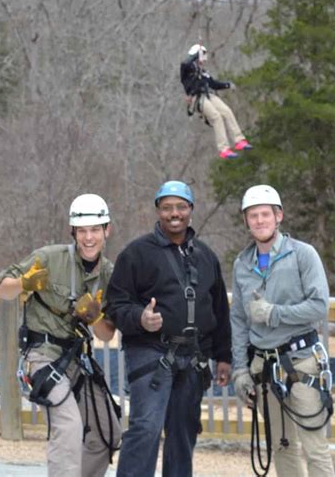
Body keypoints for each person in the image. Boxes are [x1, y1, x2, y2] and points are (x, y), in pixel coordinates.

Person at [105, 180, 232, 477]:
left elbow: (219, 310)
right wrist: (140, 318)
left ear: (190, 210)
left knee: (183, 433)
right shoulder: (136, 254)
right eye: (167, 208)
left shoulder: (205, 256)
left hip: (193, 356)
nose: (174, 214)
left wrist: (223, 357)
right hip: (151, 352)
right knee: (146, 427)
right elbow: (115, 304)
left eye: (180, 207)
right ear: (158, 212)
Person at [0, 193, 122, 477]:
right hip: (42, 355)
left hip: (77, 360)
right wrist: (24, 282)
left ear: (107, 230)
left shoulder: (109, 273)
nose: (88, 238)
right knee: (68, 427)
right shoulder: (50, 258)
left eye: (94, 230)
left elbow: (105, 335)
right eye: (82, 231)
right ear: (73, 232)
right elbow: (2, 289)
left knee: (107, 433)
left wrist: (95, 317)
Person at [230, 184, 335, 477]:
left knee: (315, 448)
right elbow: (238, 320)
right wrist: (240, 370)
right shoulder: (242, 264)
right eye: (253, 215)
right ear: (246, 221)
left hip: (302, 361)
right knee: (281, 445)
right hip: (264, 366)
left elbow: (319, 306)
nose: (259, 220)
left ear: (279, 216)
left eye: (265, 214)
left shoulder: (303, 255)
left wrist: (274, 314)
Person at [180, 43, 252, 159]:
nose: (203, 60)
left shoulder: (203, 72)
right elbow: (186, 63)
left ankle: (239, 140)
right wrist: (196, 54)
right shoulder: (187, 70)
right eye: (201, 57)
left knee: (226, 111)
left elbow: (213, 84)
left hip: (208, 95)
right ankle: (223, 149)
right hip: (197, 98)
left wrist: (227, 85)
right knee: (216, 117)